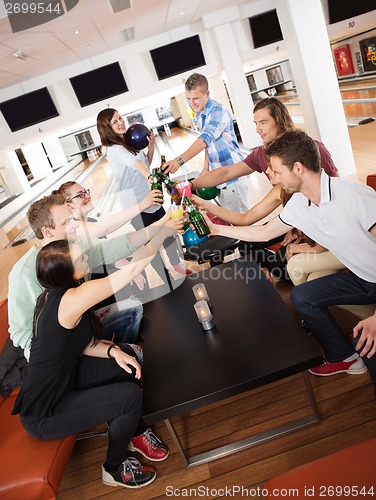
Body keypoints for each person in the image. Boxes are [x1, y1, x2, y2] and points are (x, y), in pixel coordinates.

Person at [203, 129, 376, 395]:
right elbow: (261, 233)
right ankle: (344, 356)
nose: (272, 176)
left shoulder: (355, 196)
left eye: (276, 171)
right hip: (363, 278)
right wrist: (217, 230)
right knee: (303, 296)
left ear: (298, 168)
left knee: (370, 346)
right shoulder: (299, 203)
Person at [12, 232, 178, 488]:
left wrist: (114, 352)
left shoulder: (55, 294)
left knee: (128, 359)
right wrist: (162, 233)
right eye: (80, 258)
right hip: (44, 411)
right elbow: (130, 271)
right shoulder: (70, 299)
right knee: (129, 397)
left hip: (64, 381)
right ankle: (113, 468)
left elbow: (83, 343)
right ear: (65, 271)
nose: (87, 256)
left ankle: (133, 430)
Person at [8, 192, 184, 360]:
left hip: (83, 329)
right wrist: (76, 348)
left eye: (73, 219)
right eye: (67, 222)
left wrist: (163, 222)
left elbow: (122, 244)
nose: (75, 224)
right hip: (59, 354)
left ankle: (124, 352)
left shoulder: (77, 244)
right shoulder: (24, 272)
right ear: (48, 232)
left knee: (132, 308)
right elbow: (20, 334)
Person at [96, 108, 191, 279]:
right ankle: (165, 277)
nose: (120, 122)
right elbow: (135, 164)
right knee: (150, 244)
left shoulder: (128, 141)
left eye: (120, 118)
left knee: (169, 232)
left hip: (151, 200)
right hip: (137, 207)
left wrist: (152, 145)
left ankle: (176, 265)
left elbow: (144, 161)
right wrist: (148, 175)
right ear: (107, 128)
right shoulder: (114, 150)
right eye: (115, 122)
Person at [186, 96, 339, 194]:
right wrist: (191, 185)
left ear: (279, 121)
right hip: (297, 221)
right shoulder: (260, 155)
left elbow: (337, 184)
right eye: (256, 123)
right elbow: (226, 173)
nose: (257, 129)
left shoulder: (314, 149)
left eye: (263, 123)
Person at [163, 73, 249, 213]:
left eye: (196, 98)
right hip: (220, 178)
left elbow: (205, 140)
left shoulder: (217, 112)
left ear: (207, 94)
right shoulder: (200, 113)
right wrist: (205, 167)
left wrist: (179, 161)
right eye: (188, 99)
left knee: (243, 222)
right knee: (233, 221)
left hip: (232, 178)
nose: (192, 103)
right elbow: (210, 145)